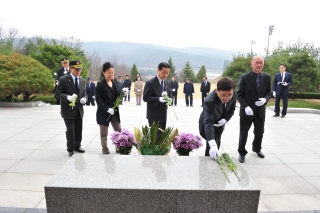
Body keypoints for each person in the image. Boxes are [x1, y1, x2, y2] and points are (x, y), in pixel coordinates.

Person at [237, 56, 271, 163]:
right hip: (247, 111)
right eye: (257, 62)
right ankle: (242, 152)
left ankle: (257, 148)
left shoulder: (267, 77)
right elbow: (239, 94)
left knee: (259, 131)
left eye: (261, 63)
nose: (259, 65)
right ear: (251, 64)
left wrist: (265, 100)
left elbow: (268, 93)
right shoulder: (245, 77)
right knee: (244, 132)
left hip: (260, 111)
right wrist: (245, 106)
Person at [56, 60, 87, 157]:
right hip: (68, 110)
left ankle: (77, 145)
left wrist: (85, 99)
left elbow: (84, 93)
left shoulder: (82, 80)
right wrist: (67, 97)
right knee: (70, 129)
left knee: (78, 129)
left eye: (80, 69)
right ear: (71, 68)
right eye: (76, 69)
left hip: (79, 109)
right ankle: (70, 148)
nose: (78, 71)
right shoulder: (63, 79)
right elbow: (57, 93)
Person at [199, 77, 236, 159]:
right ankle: (207, 165)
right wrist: (212, 143)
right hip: (208, 124)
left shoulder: (231, 93)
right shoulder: (209, 101)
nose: (227, 98)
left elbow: (232, 109)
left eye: (229, 95)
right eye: (223, 95)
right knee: (212, 146)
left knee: (217, 142)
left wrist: (225, 119)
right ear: (217, 91)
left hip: (220, 123)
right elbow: (208, 122)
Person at [95, 62, 122, 154]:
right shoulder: (100, 84)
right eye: (109, 73)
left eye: (112, 73)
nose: (111, 75)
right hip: (104, 113)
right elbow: (98, 100)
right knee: (104, 133)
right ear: (103, 73)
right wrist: (107, 109)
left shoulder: (114, 82)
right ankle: (105, 149)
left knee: (118, 130)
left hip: (114, 112)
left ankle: (119, 147)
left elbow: (117, 94)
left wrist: (122, 95)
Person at [143, 62, 171, 130]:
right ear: (158, 70)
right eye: (164, 72)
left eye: (167, 73)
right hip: (153, 115)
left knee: (162, 137)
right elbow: (146, 97)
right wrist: (158, 99)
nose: (166, 75)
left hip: (163, 115)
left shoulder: (168, 83)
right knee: (155, 138)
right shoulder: (150, 83)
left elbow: (169, 94)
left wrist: (170, 100)